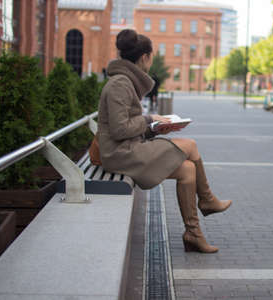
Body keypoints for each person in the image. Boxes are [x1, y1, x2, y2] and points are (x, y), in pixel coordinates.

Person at [97, 29, 232, 253]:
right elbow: (120, 129)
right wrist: (150, 119)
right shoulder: (120, 84)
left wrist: (155, 129)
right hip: (120, 155)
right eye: (151, 58)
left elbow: (128, 127)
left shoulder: (125, 82)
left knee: (188, 170)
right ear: (144, 58)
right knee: (190, 145)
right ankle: (207, 200)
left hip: (128, 148)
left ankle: (193, 234)